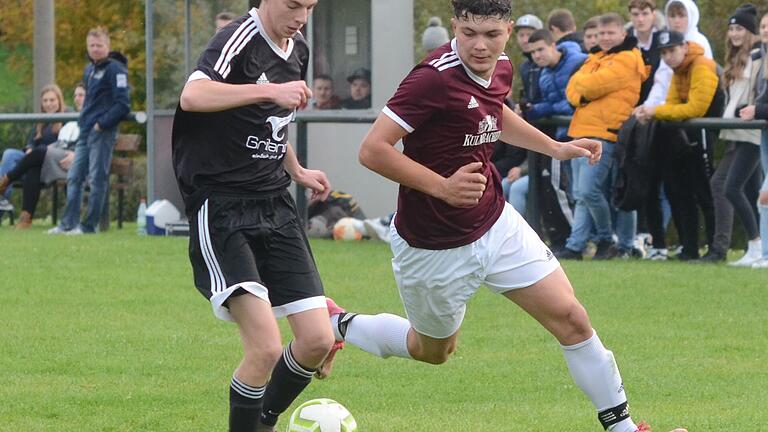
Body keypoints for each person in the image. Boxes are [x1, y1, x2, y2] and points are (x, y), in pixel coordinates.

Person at [332, 2, 686, 432]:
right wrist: (442, 187)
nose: (480, 45)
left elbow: (494, 114)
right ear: (454, 27)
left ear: (508, 30)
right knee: (432, 351)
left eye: (492, 35)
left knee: (572, 318)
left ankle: (623, 427)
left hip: (496, 221)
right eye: (469, 33)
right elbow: (372, 149)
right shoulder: (431, 79)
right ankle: (338, 323)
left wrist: (555, 147)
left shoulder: (500, 65)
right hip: (434, 243)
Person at [171, 2, 341, 431]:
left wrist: (296, 170)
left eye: (310, 5)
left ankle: (263, 420)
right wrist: (267, 90)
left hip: (275, 204)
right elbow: (193, 95)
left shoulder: (297, 49)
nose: (301, 15)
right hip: (223, 206)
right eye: (292, 4)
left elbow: (273, 124)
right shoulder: (237, 37)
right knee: (264, 348)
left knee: (318, 340)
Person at [557, 13, 648, 260]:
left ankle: (607, 238)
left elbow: (587, 86)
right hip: (581, 130)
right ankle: (576, 245)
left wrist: (584, 91)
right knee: (579, 193)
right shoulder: (596, 57)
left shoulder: (628, 58)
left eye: (610, 33)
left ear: (622, 34)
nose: (605, 38)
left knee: (589, 192)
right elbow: (572, 91)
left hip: (605, 133)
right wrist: (584, 92)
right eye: (601, 34)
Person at [634, 30, 719, 261]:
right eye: (663, 53)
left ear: (684, 47)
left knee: (706, 194)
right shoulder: (678, 69)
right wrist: (660, 111)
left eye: (672, 50)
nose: (668, 56)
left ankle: (716, 249)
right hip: (685, 137)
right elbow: (673, 103)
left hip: (703, 135)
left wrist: (655, 111)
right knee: (683, 194)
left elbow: (696, 109)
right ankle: (690, 249)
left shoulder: (701, 65)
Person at [48, 27, 130, 235]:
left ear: (107, 46)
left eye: (99, 45)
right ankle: (67, 223)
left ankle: (88, 226)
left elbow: (123, 104)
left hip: (102, 132)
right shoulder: (89, 70)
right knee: (74, 177)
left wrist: (101, 124)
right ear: (87, 46)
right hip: (85, 132)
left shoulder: (116, 70)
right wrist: (86, 123)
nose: (95, 49)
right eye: (92, 45)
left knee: (97, 179)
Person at [714, 5, 764, 267]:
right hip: (736, 131)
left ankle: (757, 246)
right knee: (753, 191)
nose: (734, 34)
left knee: (730, 187)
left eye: (740, 28)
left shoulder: (758, 56)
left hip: (751, 132)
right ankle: (758, 247)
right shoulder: (735, 58)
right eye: (731, 28)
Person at [0, 84, 84, 229]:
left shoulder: (68, 115)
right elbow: (31, 142)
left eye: (52, 100)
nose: (48, 104)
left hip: (54, 161)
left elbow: (71, 142)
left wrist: (75, 153)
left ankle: (7, 179)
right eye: (45, 101)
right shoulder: (41, 119)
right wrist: (29, 149)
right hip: (34, 159)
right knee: (10, 153)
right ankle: (3, 198)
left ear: (59, 100)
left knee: (39, 156)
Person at [739, 11, 768, 269]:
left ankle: (765, 253)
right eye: (764, 26)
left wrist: (757, 111)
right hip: (765, 133)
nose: (766, 30)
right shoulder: (760, 57)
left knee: (764, 195)